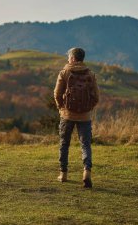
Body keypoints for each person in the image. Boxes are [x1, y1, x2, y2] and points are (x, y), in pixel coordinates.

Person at [54, 47, 99, 188]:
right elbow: (96, 97)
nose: (68, 59)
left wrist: (61, 108)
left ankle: (63, 174)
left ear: (73, 58)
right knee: (85, 144)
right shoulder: (90, 74)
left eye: (69, 57)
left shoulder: (64, 72)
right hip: (85, 116)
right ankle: (86, 172)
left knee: (64, 144)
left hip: (67, 114)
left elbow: (56, 94)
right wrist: (88, 109)